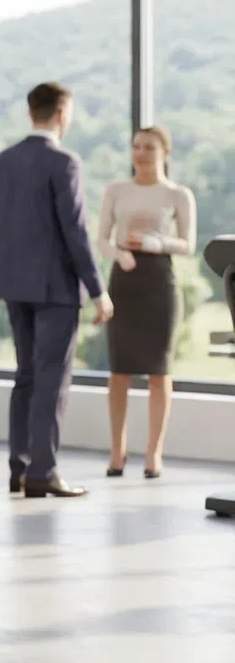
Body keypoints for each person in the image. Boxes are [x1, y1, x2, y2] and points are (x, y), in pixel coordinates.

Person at [0, 81, 113, 499]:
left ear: (31, 110)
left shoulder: (0, 162)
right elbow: (76, 232)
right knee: (52, 380)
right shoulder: (64, 162)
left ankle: (19, 469)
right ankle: (43, 472)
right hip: (55, 289)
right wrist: (97, 289)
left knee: (26, 377)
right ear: (61, 113)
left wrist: (4, 268)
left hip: (14, 285)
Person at [98, 126, 196, 480]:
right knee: (119, 371)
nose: (141, 153)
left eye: (149, 148)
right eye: (136, 146)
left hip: (159, 283)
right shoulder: (116, 190)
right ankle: (117, 450)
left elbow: (188, 244)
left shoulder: (177, 194)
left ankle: (154, 454)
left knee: (159, 372)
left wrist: (156, 243)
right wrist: (119, 255)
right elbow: (101, 240)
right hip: (123, 281)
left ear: (165, 153)